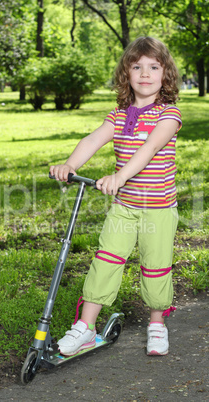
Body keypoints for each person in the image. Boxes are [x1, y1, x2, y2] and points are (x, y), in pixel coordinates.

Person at [49, 36, 182, 357]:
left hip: (158, 209)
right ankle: (86, 327)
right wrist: (70, 164)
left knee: (155, 265)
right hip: (124, 208)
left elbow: (149, 149)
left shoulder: (169, 114)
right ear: (126, 74)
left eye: (153, 67)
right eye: (137, 67)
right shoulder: (119, 115)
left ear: (165, 74)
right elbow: (92, 139)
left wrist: (120, 176)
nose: (145, 73)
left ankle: (156, 324)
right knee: (105, 261)